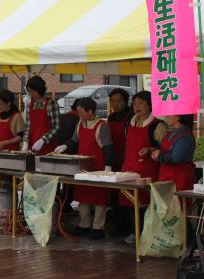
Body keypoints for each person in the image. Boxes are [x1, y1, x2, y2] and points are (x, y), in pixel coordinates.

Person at [55, 97, 115, 239]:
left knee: (99, 198)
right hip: (83, 166)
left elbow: (107, 147)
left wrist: (108, 165)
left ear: (91, 112)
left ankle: (98, 228)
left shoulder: (102, 126)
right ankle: (84, 224)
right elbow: (75, 140)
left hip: (98, 167)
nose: (79, 115)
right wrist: (65, 145)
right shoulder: (80, 124)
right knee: (83, 196)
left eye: (81, 112)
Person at [121, 90, 166, 243]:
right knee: (127, 201)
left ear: (149, 106)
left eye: (141, 103)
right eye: (135, 104)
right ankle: (134, 232)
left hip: (147, 169)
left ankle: (146, 233)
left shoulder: (157, 125)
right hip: (129, 167)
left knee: (144, 202)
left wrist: (149, 149)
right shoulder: (130, 123)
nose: (137, 107)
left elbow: (164, 148)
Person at [151, 114, 196, 191]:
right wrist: (155, 153)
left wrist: (160, 155)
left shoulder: (185, 136)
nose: (166, 117)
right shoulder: (171, 132)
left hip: (179, 180)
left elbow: (175, 158)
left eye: (169, 115)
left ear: (178, 117)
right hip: (166, 178)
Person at [21, 76, 59, 154]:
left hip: (48, 148)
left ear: (39, 89)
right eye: (29, 91)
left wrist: (43, 140)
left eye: (32, 91)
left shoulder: (51, 103)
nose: (30, 94)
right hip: (32, 148)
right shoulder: (29, 105)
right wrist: (25, 142)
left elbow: (56, 126)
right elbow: (28, 127)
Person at [107, 88, 133, 171]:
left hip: (126, 155)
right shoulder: (111, 117)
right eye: (112, 101)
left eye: (118, 101)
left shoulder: (132, 116)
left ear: (125, 101)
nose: (115, 104)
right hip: (113, 153)